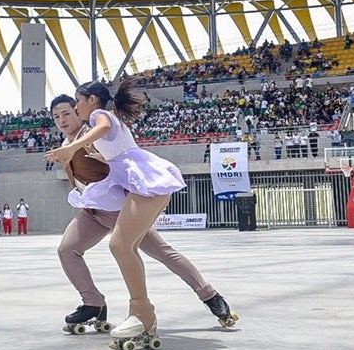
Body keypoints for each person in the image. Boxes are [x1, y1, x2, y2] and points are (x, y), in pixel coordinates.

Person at [48, 94, 236, 337]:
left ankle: (210, 296)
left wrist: (147, 201)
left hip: (120, 212)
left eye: (66, 113)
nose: (61, 120)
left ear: (77, 111)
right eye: (56, 116)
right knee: (67, 250)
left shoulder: (92, 133)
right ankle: (93, 303)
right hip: (92, 212)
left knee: (163, 252)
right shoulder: (65, 141)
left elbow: (120, 158)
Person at [44, 79, 194, 350]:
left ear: (89, 101)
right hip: (105, 205)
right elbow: (114, 157)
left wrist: (73, 148)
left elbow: (102, 129)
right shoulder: (82, 136)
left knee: (152, 250)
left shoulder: (96, 122)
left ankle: (200, 297)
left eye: (71, 108)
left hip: (128, 199)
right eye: (57, 116)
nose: (66, 116)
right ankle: (103, 305)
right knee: (78, 248)